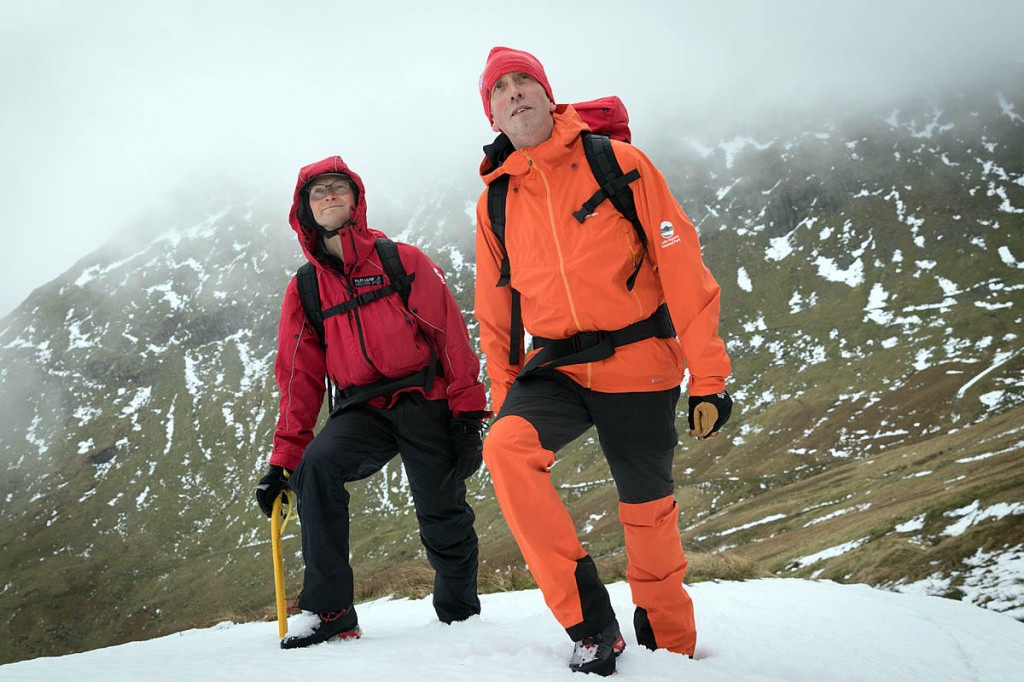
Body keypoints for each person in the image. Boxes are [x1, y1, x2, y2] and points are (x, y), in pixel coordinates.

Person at [473, 47, 733, 675]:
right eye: (500, 90)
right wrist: (505, 396)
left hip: (640, 359)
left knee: (647, 510)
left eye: (523, 82)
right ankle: (590, 624)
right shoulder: (496, 201)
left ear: (547, 93)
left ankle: (670, 641)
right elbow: (497, 313)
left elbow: (683, 270)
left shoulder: (617, 163)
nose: (514, 94)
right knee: (506, 448)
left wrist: (709, 380)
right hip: (556, 369)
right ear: (492, 114)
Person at [256, 155, 489, 649]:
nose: (329, 196)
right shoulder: (305, 289)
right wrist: (284, 461)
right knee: (316, 469)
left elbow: (450, 335)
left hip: (424, 397)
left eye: (338, 187)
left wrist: (468, 414)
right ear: (305, 211)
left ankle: (459, 615)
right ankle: (331, 612)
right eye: (318, 193)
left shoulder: (400, 260)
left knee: (442, 510)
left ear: (356, 200)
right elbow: (298, 380)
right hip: (362, 408)